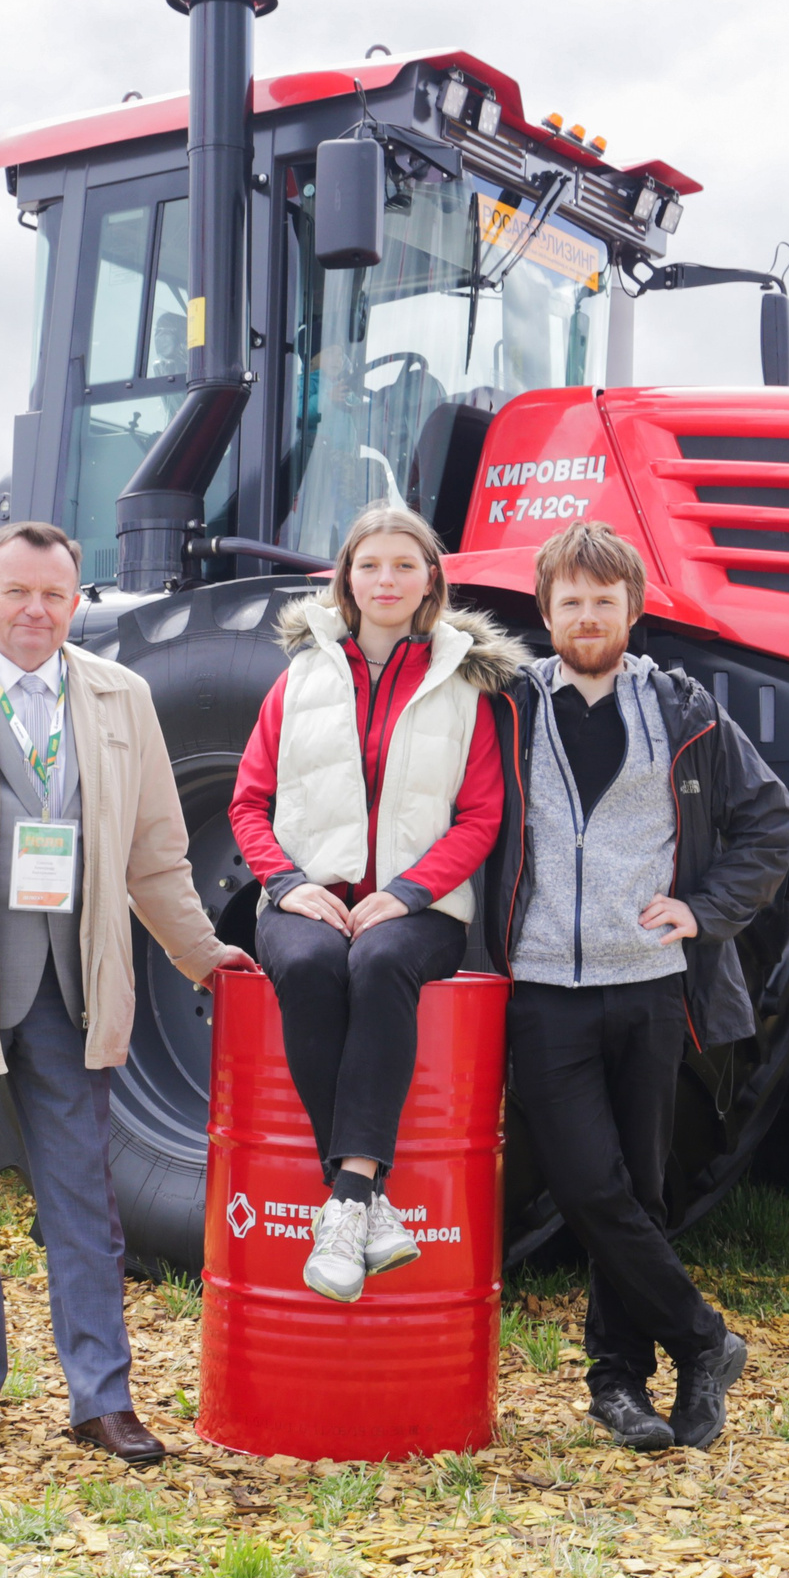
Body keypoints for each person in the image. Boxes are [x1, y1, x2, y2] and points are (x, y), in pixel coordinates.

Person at [0, 520, 253, 1465]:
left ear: (76, 603)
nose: (35, 610)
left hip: (72, 991)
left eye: (54, 595)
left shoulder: (120, 697)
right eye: (16, 592)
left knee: (86, 1208)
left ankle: (101, 1398)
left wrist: (203, 953)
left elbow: (157, 854)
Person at [485, 521, 789, 1452]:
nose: (588, 615)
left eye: (604, 599)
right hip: (543, 983)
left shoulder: (684, 708)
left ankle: (621, 1385)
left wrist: (704, 910)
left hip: (653, 984)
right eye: (570, 600)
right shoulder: (504, 705)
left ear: (633, 608)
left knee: (643, 1187)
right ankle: (704, 1338)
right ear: (545, 612)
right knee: (587, 1182)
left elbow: (770, 823)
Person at [227, 505, 524, 1302]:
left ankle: (345, 1200)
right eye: (370, 566)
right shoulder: (299, 678)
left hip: (418, 906)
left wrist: (408, 892)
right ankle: (367, 1202)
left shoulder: (467, 683)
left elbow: (482, 815)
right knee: (314, 966)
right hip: (305, 897)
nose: (386, 580)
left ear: (432, 579)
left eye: (404, 565)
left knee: (382, 961)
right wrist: (290, 886)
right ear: (345, 579)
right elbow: (248, 803)